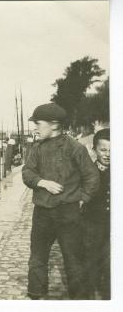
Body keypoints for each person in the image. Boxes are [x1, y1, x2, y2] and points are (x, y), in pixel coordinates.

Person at [22, 103, 100, 300]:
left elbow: (92, 177)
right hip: (42, 213)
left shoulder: (76, 148)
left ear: (54, 124)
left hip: (69, 214)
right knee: (37, 258)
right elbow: (27, 172)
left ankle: (80, 300)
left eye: (38, 124)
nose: (35, 128)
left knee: (74, 260)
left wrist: (83, 199)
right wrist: (42, 182)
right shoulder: (36, 148)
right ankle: (36, 295)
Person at [83, 128, 110, 299]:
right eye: (103, 150)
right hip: (91, 226)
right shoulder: (87, 173)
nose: (108, 154)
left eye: (112, 150)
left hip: (111, 226)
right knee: (90, 264)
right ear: (94, 150)